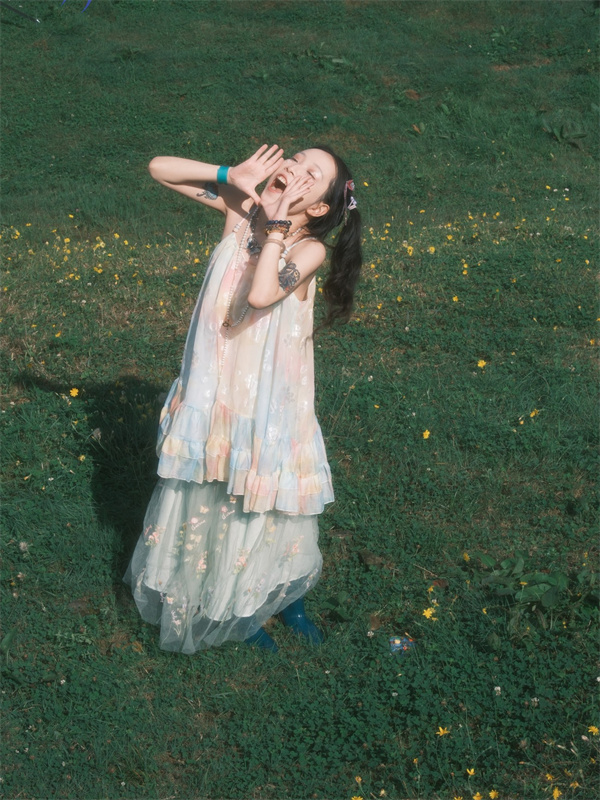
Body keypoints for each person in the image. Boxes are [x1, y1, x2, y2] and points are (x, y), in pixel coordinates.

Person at [124, 144, 362, 654]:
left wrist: (275, 224)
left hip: (271, 402)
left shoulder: (309, 250)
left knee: (269, 499)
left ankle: (283, 594)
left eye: (311, 173)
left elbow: (260, 295)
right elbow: (159, 168)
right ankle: (229, 599)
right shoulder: (241, 211)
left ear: (319, 207)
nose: (294, 167)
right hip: (216, 388)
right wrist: (231, 174)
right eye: (296, 157)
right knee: (213, 491)